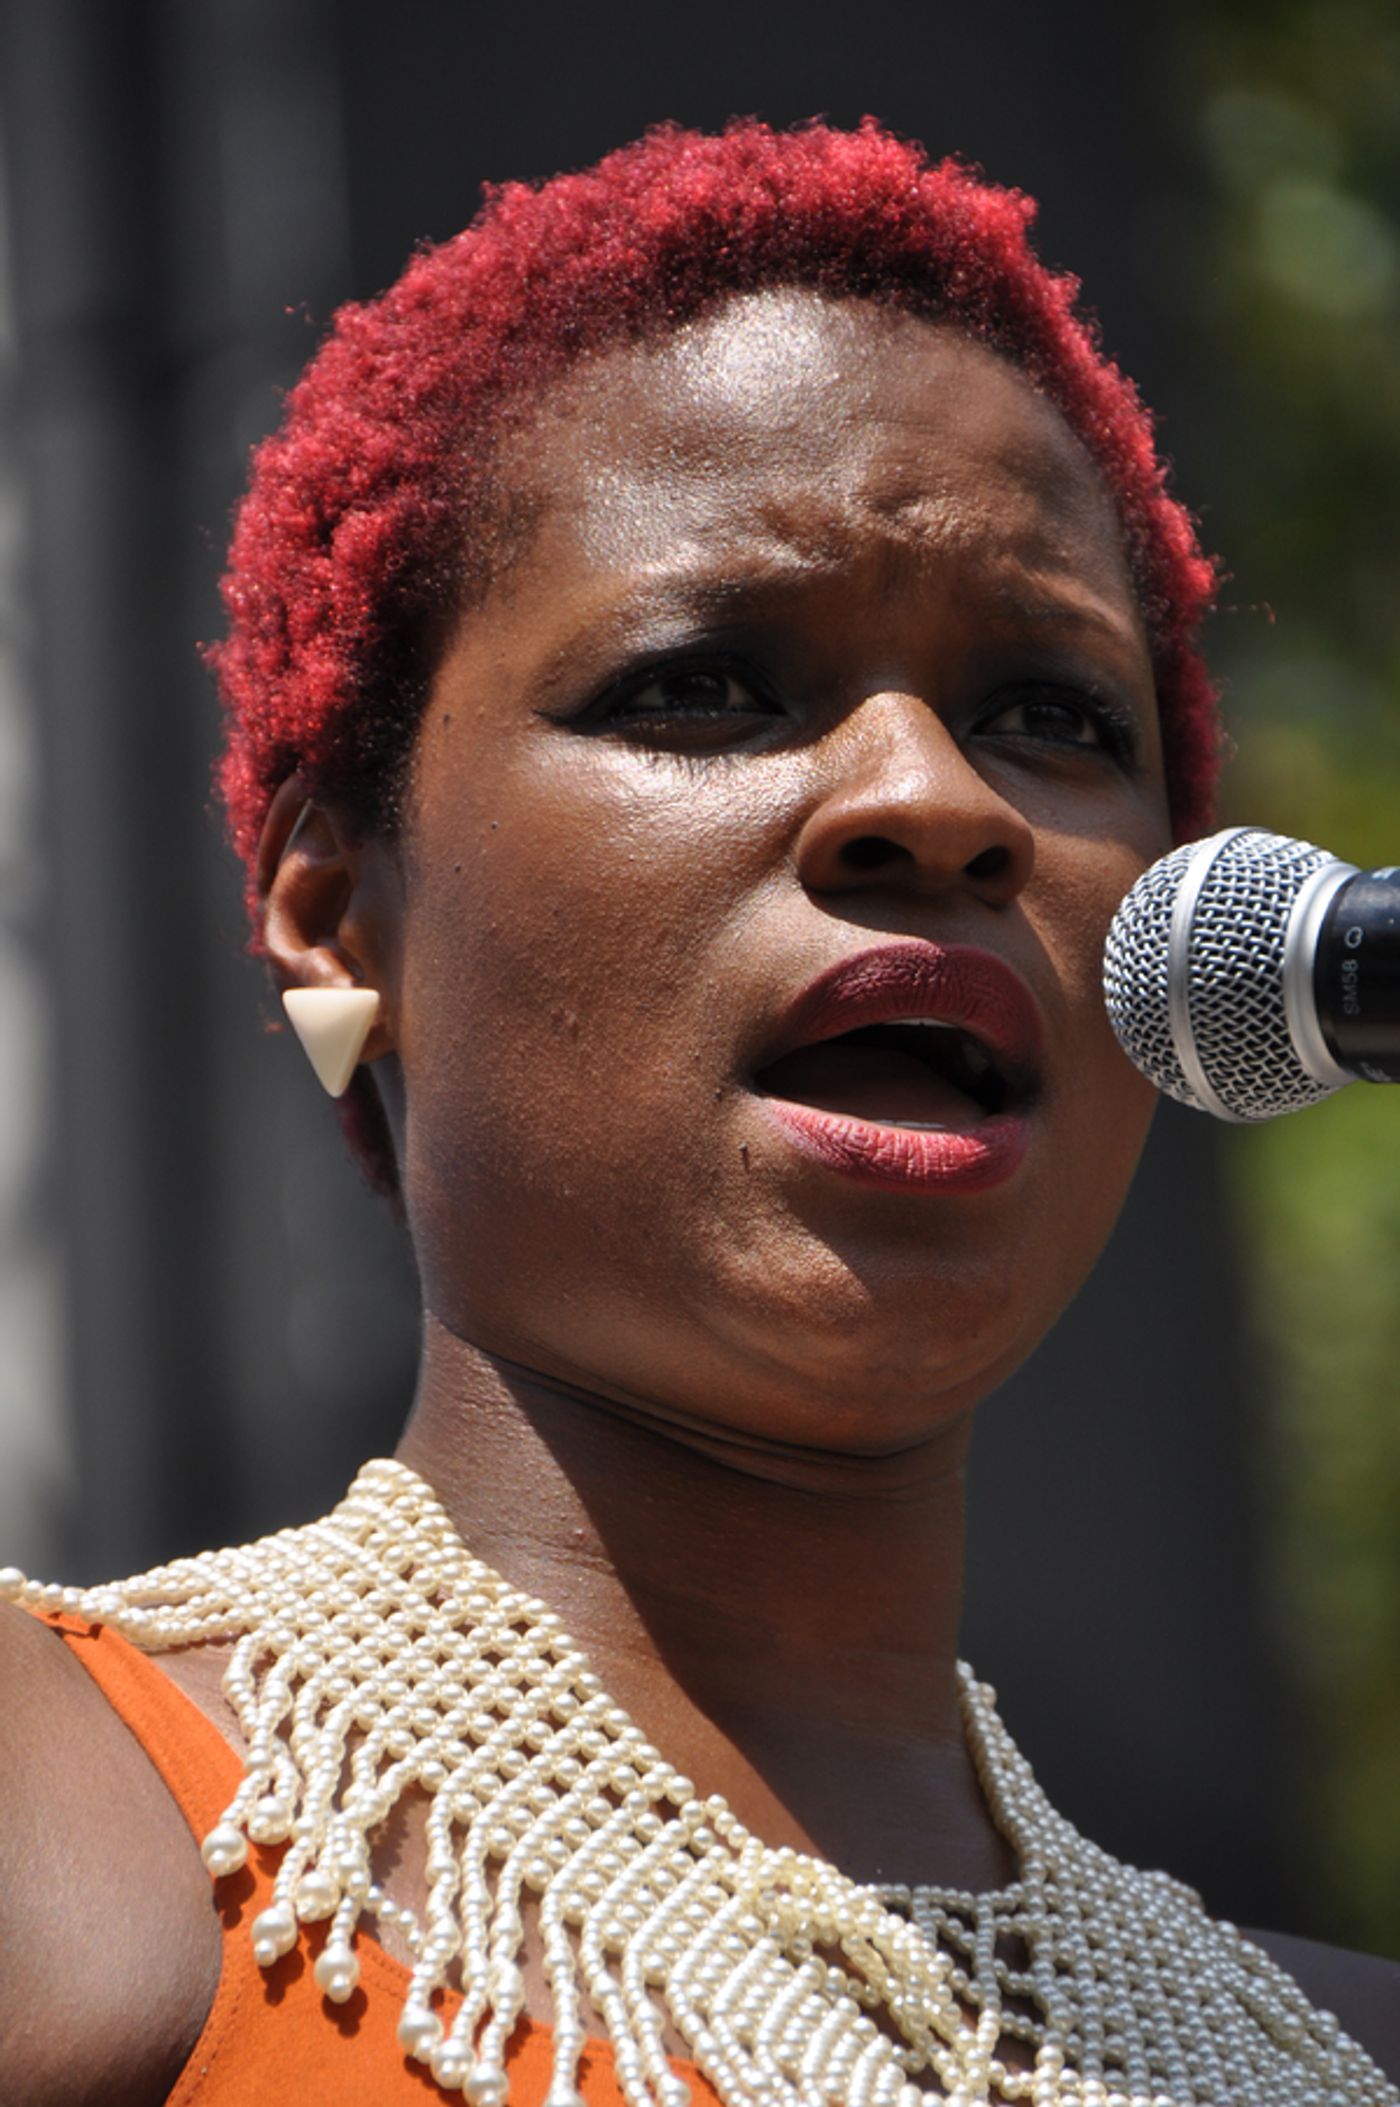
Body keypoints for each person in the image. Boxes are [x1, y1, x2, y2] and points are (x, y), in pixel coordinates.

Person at [1, 117, 1396, 2107]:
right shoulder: (63, 1824)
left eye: (1052, 717)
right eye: (707, 684)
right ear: (333, 909)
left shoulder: (1332, 2057)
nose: (934, 801)